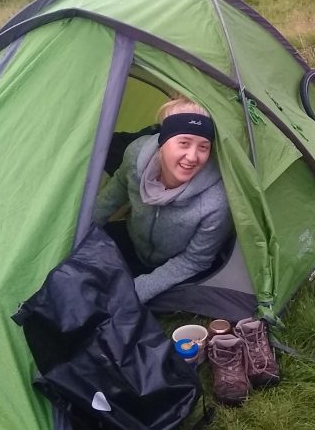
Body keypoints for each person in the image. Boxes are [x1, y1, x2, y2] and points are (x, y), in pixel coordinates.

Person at [93, 97, 232, 305]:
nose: (193, 157)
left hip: (178, 266)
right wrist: (82, 228)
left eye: (203, 147)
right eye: (184, 143)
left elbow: (196, 261)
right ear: (163, 142)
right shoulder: (136, 154)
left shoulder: (216, 201)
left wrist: (138, 290)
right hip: (134, 243)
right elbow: (117, 190)